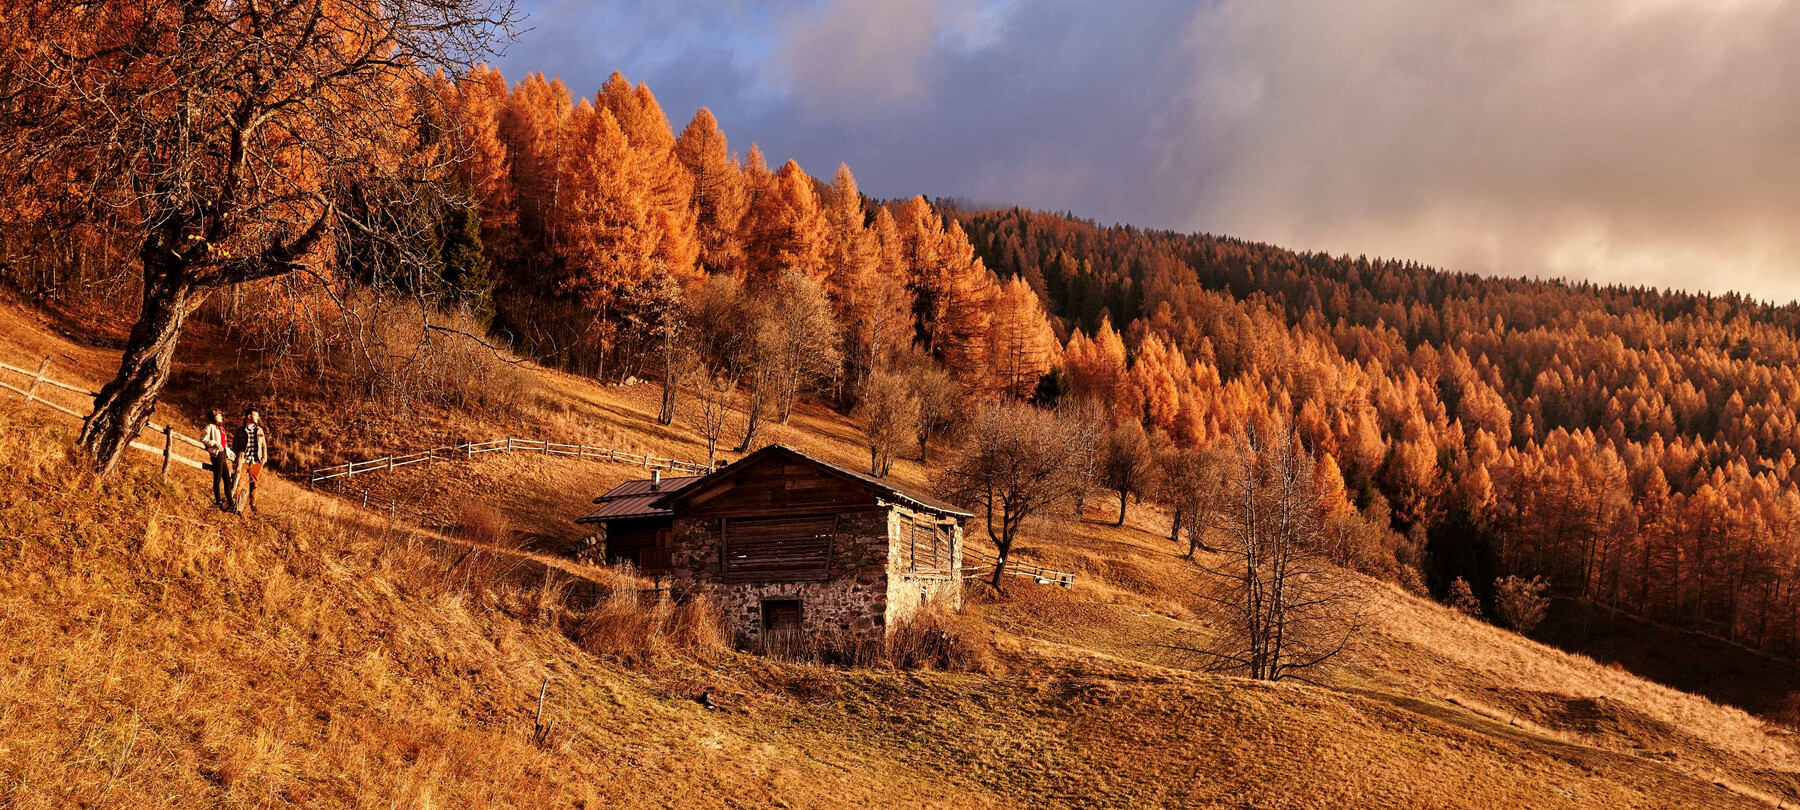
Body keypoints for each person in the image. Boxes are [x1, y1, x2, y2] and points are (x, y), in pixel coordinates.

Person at [235, 406, 270, 513]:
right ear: (249, 416)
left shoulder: (259, 430)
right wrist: (236, 460)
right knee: (238, 481)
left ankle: (253, 504)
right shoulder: (239, 430)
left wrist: (264, 458)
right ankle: (234, 502)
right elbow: (235, 446)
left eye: (258, 416)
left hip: (256, 461)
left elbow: (264, 445)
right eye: (256, 415)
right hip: (244, 461)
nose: (257, 418)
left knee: (254, 484)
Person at [201, 409, 236, 511]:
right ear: (215, 417)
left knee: (226, 479)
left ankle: (231, 503)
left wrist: (231, 454)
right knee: (217, 477)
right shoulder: (210, 427)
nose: (221, 417)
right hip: (216, 455)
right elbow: (203, 438)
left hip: (223, 455)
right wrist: (215, 443)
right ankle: (218, 501)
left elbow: (224, 445)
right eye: (219, 415)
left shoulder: (221, 429)